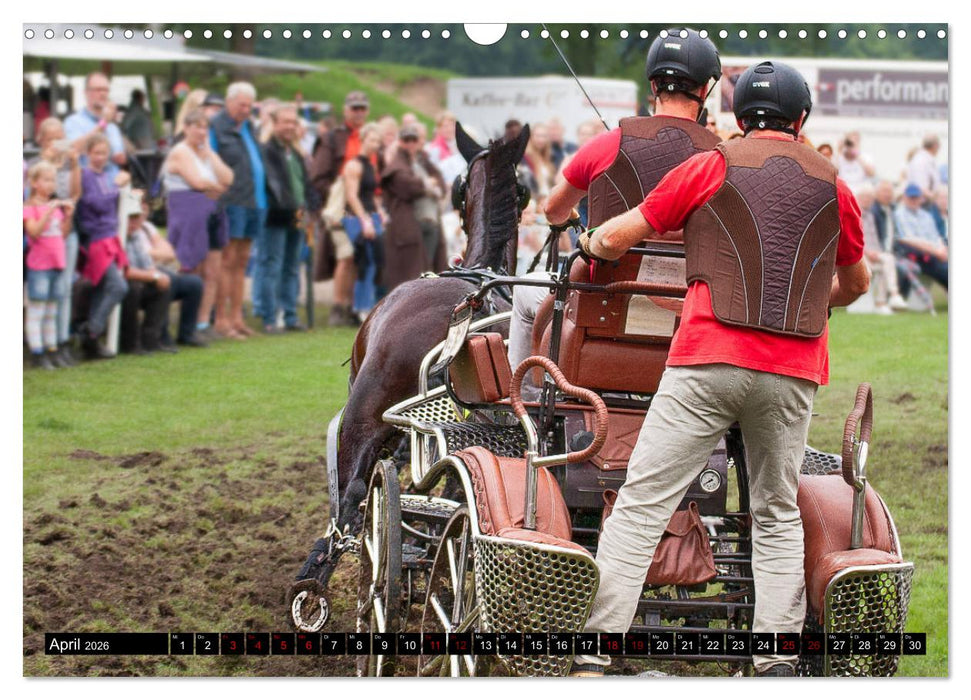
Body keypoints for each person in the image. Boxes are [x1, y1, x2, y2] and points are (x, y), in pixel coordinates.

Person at [572, 60, 869, 678]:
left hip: (705, 360)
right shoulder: (834, 184)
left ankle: (594, 653)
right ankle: (774, 661)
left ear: (735, 117)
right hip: (793, 370)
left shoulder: (712, 164)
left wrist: (590, 242)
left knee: (642, 504)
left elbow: (625, 234)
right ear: (802, 120)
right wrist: (817, 301)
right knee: (776, 511)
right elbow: (855, 282)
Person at [510, 28, 724, 401]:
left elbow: (554, 209)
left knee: (524, 294)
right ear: (705, 89)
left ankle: (520, 399)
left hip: (604, 307)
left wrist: (573, 220)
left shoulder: (609, 143)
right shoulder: (724, 158)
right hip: (688, 317)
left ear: (654, 85)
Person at [162, 108, 233, 340]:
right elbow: (197, 181)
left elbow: (228, 178)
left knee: (212, 270)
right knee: (192, 267)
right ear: (186, 128)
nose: (202, 132)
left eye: (205, 127)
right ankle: (187, 324)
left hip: (211, 213)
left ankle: (203, 323)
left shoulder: (206, 152)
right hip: (188, 215)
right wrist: (215, 188)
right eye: (197, 127)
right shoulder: (180, 152)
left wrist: (210, 154)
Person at [209, 81, 267, 340]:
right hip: (230, 201)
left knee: (243, 261)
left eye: (249, 105)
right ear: (229, 101)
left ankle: (237, 317)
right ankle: (221, 318)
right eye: (241, 104)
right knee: (227, 260)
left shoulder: (249, 127)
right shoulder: (217, 127)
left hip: (254, 201)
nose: (246, 109)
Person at [309, 91, 371, 327]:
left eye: (362, 108)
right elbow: (318, 176)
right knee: (345, 257)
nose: (358, 112)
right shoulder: (333, 138)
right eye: (354, 108)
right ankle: (338, 306)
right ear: (345, 110)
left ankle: (352, 307)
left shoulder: (368, 137)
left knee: (360, 258)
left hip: (365, 207)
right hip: (343, 208)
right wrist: (338, 198)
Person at [259, 103, 320, 332]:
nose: (290, 126)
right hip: (275, 216)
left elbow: (305, 184)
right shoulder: (267, 150)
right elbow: (274, 186)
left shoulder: (295, 153)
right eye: (285, 122)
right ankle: (270, 317)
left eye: (293, 122)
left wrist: (311, 209)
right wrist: (295, 208)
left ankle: (290, 315)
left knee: (293, 266)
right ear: (274, 124)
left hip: (298, 216)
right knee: (272, 265)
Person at [29, 117, 81, 366]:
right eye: (51, 138)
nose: (57, 143)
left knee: (63, 291)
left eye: (60, 137)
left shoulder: (67, 164)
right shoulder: (36, 167)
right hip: (42, 245)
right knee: (41, 300)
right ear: (42, 140)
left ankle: (60, 343)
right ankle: (40, 349)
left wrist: (74, 163)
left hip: (62, 236)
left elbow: (74, 194)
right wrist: (49, 161)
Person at [75, 133, 131, 359]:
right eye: (96, 153)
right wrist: (117, 189)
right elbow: (94, 203)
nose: (100, 157)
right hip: (97, 238)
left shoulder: (106, 175)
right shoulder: (85, 175)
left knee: (104, 288)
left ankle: (92, 341)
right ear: (88, 154)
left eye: (104, 153)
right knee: (118, 287)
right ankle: (90, 331)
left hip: (110, 235)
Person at [133, 200, 208, 348]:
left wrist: (151, 254)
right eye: (139, 209)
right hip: (143, 273)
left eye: (145, 209)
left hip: (156, 269)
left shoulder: (148, 228)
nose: (142, 213)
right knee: (169, 278)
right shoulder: (127, 227)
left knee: (194, 283)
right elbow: (138, 256)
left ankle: (187, 333)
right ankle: (161, 333)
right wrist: (156, 254)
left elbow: (170, 253)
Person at [381, 122, 444, 291]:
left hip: (430, 221)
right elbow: (405, 185)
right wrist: (427, 185)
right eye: (406, 140)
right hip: (409, 226)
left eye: (413, 140)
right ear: (400, 142)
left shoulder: (422, 160)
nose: (410, 144)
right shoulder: (397, 162)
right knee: (411, 275)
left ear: (418, 141)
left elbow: (440, 180)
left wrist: (431, 185)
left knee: (429, 270)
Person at [23, 162, 74, 369]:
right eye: (46, 180)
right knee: (37, 309)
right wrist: (47, 211)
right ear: (35, 183)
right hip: (39, 266)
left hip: (57, 264)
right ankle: (37, 351)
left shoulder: (55, 208)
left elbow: (62, 233)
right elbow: (33, 232)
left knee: (52, 310)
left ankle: (52, 349)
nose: (51, 184)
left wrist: (68, 215)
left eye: (53, 180)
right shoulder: (29, 208)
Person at [342, 122, 387, 321]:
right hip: (357, 217)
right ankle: (360, 307)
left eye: (378, 141)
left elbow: (371, 194)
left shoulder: (371, 164)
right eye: (372, 140)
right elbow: (352, 196)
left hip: (371, 215)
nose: (375, 144)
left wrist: (379, 212)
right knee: (365, 262)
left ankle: (368, 305)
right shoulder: (354, 165)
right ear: (363, 139)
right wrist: (365, 220)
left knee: (376, 262)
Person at [120, 208, 175, 355]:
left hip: (137, 277)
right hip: (118, 282)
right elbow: (123, 271)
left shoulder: (137, 235)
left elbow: (147, 265)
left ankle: (151, 340)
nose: (134, 223)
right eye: (130, 219)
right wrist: (153, 276)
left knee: (163, 285)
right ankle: (129, 343)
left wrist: (156, 276)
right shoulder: (116, 235)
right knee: (133, 289)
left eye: (137, 218)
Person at [64, 72, 127, 179]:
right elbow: (71, 149)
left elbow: (120, 159)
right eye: (98, 89)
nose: (103, 93)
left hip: (112, 185)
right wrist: (102, 124)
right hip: (87, 188)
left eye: (106, 90)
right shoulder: (72, 122)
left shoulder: (112, 127)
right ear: (86, 92)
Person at [857, 185, 905, 313]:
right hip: (859, 254)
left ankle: (884, 302)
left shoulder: (872, 215)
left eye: (869, 198)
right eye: (864, 198)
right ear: (858, 198)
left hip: (873, 253)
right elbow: (853, 238)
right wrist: (867, 252)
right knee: (884, 263)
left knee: (887, 261)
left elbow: (875, 240)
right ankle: (888, 299)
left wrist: (877, 252)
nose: (867, 200)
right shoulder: (855, 214)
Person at [894, 183, 948, 289]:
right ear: (904, 198)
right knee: (947, 271)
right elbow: (908, 239)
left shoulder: (926, 215)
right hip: (916, 256)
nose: (913, 200)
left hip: (934, 254)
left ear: (921, 199)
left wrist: (942, 250)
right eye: (911, 197)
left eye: (916, 197)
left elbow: (936, 236)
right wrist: (937, 252)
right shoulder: (899, 214)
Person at [905, 134, 942, 199]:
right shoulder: (921, 161)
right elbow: (920, 187)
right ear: (935, 146)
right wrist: (936, 199)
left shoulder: (925, 159)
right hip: (923, 203)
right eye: (939, 146)